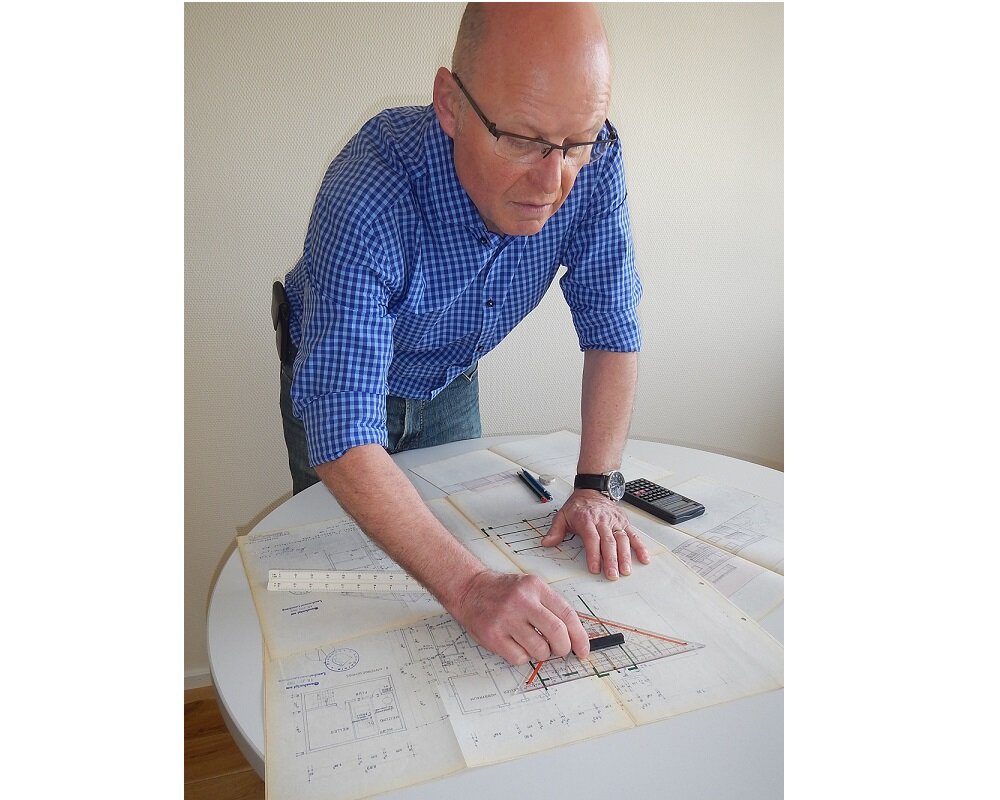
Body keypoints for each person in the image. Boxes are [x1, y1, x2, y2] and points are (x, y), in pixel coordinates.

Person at [277, 2, 650, 666]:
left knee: (453, 567)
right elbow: (341, 422)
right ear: (450, 105)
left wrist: (597, 484)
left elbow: (612, 324)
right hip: (341, 380)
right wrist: (471, 588)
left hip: (450, 374)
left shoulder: (596, 161)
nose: (553, 180)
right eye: (523, 139)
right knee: (353, 587)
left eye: (576, 143)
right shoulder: (370, 190)